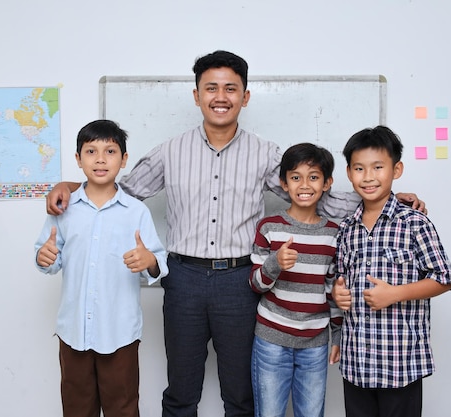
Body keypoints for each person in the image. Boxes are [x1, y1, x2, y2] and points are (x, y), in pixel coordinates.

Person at [45, 51, 425, 417]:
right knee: (181, 390)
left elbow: (310, 193)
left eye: (230, 88)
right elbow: (121, 190)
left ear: (245, 96)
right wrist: (69, 185)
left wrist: (380, 200)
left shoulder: (265, 154)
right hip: (184, 280)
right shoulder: (170, 152)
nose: (220, 97)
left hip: (239, 282)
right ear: (197, 96)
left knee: (240, 393)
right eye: (211, 88)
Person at [34, 119, 169, 417]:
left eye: (110, 151)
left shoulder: (136, 211)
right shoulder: (63, 210)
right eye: (91, 151)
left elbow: (159, 262)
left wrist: (150, 262)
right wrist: (44, 258)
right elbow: (48, 256)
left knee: (122, 407)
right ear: (78, 159)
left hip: (119, 332)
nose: (100, 159)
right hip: (73, 331)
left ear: (124, 159)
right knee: (76, 408)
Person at [332, 125, 451, 417]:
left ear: (396, 169)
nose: (369, 176)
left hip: (399, 363)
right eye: (359, 168)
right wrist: (338, 294)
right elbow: (340, 280)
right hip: (357, 361)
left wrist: (395, 294)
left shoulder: (414, 222)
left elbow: (444, 279)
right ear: (349, 173)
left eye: (378, 167)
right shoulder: (346, 229)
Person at [249, 143, 343, 417]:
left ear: (327, 183)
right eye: (295, 177)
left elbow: (332, 289)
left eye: (314, 177)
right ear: (284, 183)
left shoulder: (333, 234)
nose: (305, 184)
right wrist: (275, 264)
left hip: (314, 344)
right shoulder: (269, 227)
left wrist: (336, 334)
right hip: (271, 341)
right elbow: (255, 284)